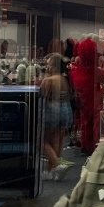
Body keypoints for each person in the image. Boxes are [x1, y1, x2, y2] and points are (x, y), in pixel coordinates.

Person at [40, 52, 75, 180]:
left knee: (43, 141)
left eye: (48, 64)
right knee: (58, 140)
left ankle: (56, 163)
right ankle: (52, 170)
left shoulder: (48, 80)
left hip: (52, 110)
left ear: (52, 66)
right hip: (66, 110)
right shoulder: (64, 79)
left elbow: (42, 95)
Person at [71, 36, 102, 154]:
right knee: (95, 121)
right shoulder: (96, 71)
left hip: (83, 99)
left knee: (85, 121)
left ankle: (86, 144)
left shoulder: (76, 71)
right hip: (94, 99)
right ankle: (94, 145)